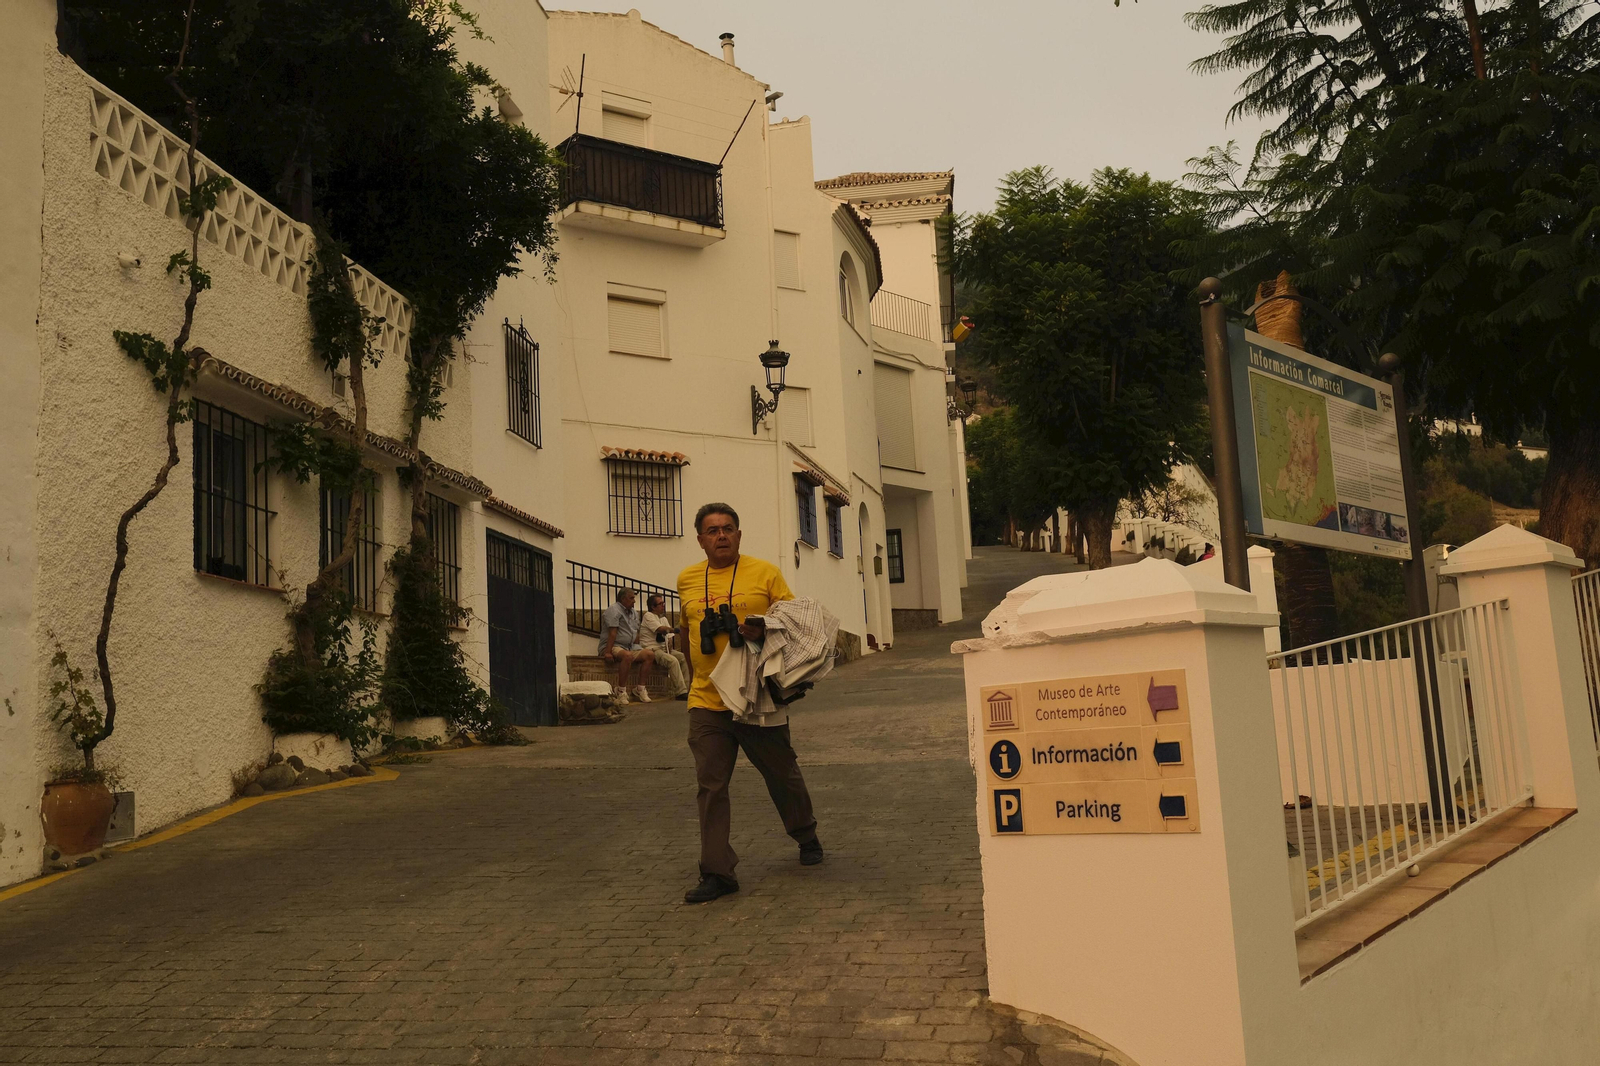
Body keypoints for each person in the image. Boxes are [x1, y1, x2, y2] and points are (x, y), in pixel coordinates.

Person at [676, 502, 822, 904]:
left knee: (781, 774)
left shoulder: (766, 573)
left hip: (758, 698)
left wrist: (760, 627)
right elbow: (688, 635)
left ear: (739, 535)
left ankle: (805, 833)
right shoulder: (687, 579)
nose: (721, 535)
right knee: (710, 786)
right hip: (707, 700)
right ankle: (717, 871)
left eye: (727, 529)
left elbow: (795, 622)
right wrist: (694, 682)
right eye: (712, 530)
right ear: (701, 539)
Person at [598, 588, 653, 706]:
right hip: (614, 645)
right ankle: (621, 691)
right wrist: (607, 652)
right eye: (631, 598)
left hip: (630, 646)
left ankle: (640, 689)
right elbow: (612, 632)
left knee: (649, 654)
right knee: (627, 656)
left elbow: (635, 632)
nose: (634, 601)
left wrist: (639, 647)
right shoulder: (613, 610)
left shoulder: (634, 612)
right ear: (623, 599)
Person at [641, 593, 690, 700]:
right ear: (653, 607)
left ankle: (687, 689)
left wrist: (670, 640)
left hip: (664, 649)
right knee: (672, 661)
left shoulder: (663, 618)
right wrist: (676, 630)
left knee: (684, 658)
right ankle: (680, 692)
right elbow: (661, 629)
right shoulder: (648, 616)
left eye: (663, 603)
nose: (663, 605)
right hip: (652, 649)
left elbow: (669, 634)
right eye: (660, 604)